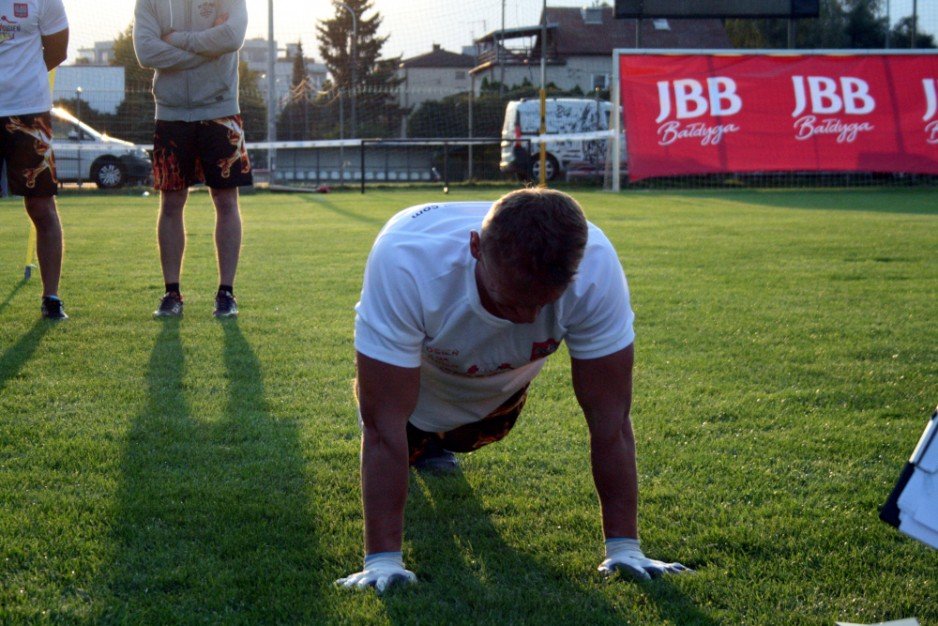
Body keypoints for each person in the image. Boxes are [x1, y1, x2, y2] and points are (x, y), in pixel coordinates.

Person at [337, 188, 691, 592]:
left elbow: (611, 419)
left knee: (467, 436)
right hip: (424, 375)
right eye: (510, 302)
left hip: (496, 394)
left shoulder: (594, 266)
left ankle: (440, 439)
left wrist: (626, 549)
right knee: (398, 427)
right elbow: (382, 427)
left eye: (542, 303)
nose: (526, 319)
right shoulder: (405, 260)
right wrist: (382, 561)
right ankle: (423, 440)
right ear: (475, 247)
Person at [133, 0, 252, 319]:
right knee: (171, 204)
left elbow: (231, 38)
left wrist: (177, 40)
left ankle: (226, 293)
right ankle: (171, 292)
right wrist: (206, 49)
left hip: (220, 109)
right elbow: (146, 53)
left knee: (226, 201)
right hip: (171, 114)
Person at [0, 0, 69, 319]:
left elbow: (57, 50)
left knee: (41, 206)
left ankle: (51, 297)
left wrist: (21, 81)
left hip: (30, 113)